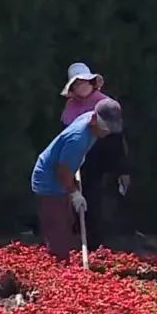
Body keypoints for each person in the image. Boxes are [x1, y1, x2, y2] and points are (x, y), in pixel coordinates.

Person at [33, 99, 124, 259]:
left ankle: (63, 260)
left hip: (62, 174)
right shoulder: (77, 139)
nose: (107, 132)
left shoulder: (90, 120)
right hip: (49, 180)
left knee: (68, 222)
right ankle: (57, 265)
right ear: (95, 119)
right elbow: (63, 171)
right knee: (57, 227)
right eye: (105, 127)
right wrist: (74, 193)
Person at [59, 62, 132, 251]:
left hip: (102, 159)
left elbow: (117, 138)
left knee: (96, 201)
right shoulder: (71, 107)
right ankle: (78, 244)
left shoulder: (105, 104)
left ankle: (96, 245)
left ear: (92, 83)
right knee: (77, 202)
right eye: (78, 84)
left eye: (85, 82)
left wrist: (122, 169)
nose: (82, 87)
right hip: (80, 160)